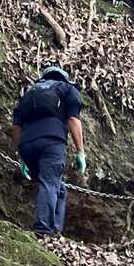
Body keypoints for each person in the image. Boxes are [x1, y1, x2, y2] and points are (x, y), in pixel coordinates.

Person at [11, 65, 85, 237]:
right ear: (64, 78)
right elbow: (73, 120)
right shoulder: (68, 89)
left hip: (27, 144)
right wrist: (80, 151)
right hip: (51, 142)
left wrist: (21, 156)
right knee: (49, 183)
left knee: (58, 188)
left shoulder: (29, 93)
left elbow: (16, 126)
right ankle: (43, 231)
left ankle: (54, 231)